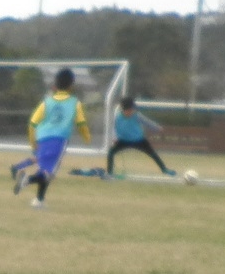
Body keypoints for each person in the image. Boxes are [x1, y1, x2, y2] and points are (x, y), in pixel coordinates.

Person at [10, 68, 91, 208]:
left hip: (42, 138)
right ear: (71, 85)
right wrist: (86, 137)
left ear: (56, 84)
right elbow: (81, 123)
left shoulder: (46, 102)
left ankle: (39, 201)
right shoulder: (74, 103)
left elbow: (32, 123)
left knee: (44, 170)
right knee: (49, 174)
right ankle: (26, 180)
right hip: (59, 140)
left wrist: (33, 142)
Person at [108, 96, 174, 177]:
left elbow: (147, 122)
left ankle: (164, 169)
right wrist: (114, 138)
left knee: (153, 153)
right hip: (123, 141)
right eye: (129, 110)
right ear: (124, 109)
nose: (131, 111)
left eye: (132, 109)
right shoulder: (117, 117)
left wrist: (157, 128)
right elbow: (114, 128)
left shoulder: (136, 115)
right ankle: (109, 173)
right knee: (111, 153)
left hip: (138, 140)